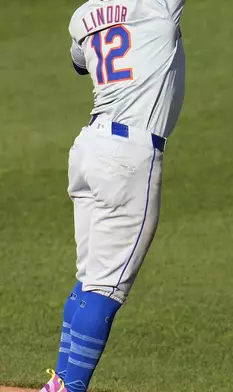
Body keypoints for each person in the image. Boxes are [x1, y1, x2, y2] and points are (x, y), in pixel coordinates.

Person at [40, 1, 186, 391]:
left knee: (89, 279)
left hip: (90, 149)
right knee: (106, 288)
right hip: (129, 159)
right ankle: (72, 388)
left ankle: (59, 384)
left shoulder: (82, 16)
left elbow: (80, 63)